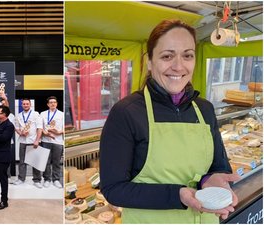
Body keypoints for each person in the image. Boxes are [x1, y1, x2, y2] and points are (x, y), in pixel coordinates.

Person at [99, 20, 240, 224]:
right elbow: (114, 189)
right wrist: (178, 195)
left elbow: (219, 166)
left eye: (187, 55)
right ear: (149, 61)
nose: (178, 66)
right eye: (167, 56)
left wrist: (213, 181)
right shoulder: (126, 113)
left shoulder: (205, 109)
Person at [14, 98, 43, 188]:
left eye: (27, 104)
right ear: (22, 105)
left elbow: (39, 128)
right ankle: (21, 179)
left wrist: (37, 140)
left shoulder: (35, 114)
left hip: (33, 140)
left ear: (30, 105)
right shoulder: (19, 115)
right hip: (23, 141)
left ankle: (37, 180)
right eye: (24, 104)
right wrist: (21, 133)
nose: (25, 105)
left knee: (35, 162)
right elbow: (17, 128)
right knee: (22, 162)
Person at [40, 96, 64, 188]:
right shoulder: (43, 114)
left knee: (56, 162)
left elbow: (66, 129)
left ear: (57, 104)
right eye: (51, 102)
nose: (53, 104)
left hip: (58, 141)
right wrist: (44, 133)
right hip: (45, 140)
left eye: (54, 102)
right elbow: (40, 127)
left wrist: (58, 132)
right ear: (48, 104)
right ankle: (47, 179)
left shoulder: (61, 114)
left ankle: (56, 179)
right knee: (46, 161)